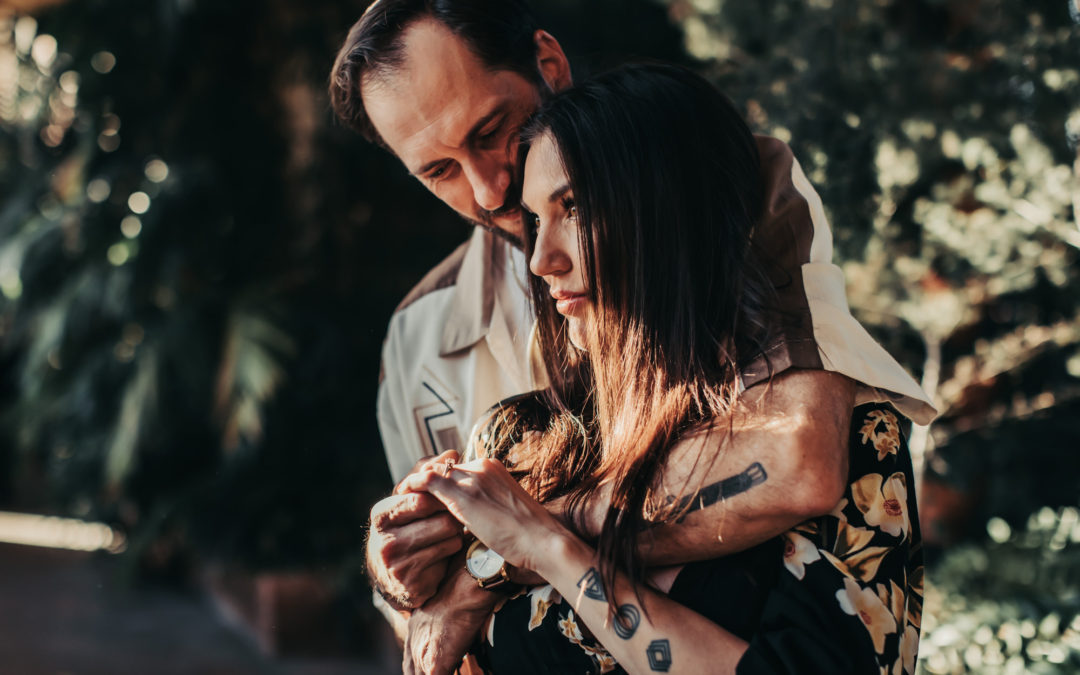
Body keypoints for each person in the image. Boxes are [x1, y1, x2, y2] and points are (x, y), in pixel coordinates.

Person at [327, 0, 935, 668]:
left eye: (491, 130)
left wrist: (509, 545)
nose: (488, 189)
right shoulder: (423, 342)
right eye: (439, 171)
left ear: (548, 66)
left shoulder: (727, 189)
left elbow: (796, 465)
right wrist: (400, 559)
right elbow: (427, 617)